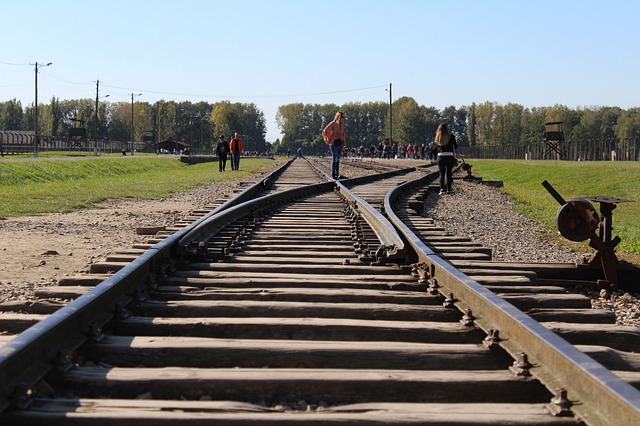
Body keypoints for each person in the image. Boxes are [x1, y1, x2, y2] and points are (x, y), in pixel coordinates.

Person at [434, 123, 458, 195]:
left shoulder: (437, 137)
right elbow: (455, 147)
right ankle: (448, 189)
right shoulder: (451, 136)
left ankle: (442, 189)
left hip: (441, 156)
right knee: (448, 174)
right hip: (449, 156)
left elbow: (436, 147)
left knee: (442, 174)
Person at [322, 111, 346, 179]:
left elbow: (343, 134)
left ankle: (337, 172)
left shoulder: (342, 125)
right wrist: (328, 139)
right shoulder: (333, 123)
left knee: (338, 158)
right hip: (333, 143)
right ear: (338, 117)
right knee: (335, 157)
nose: (343, 118)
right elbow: (325, 131)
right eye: (342, 117)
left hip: (340, 143)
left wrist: (344, 142)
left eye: (343, 117)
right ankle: (333, 173)